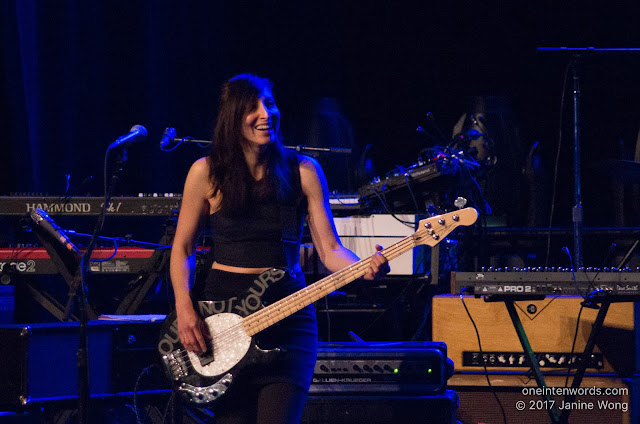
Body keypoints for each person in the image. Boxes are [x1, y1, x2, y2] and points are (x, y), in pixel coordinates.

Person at [169, 73, 390, 424]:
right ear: (232, 116)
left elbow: (330, 249)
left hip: (288, 319)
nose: (265, 113)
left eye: (269, 103)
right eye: (252, 107)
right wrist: (184, 307)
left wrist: (363, 265)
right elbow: (182, 249)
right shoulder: (206, 172)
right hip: (221, 322)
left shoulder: (303, 170)